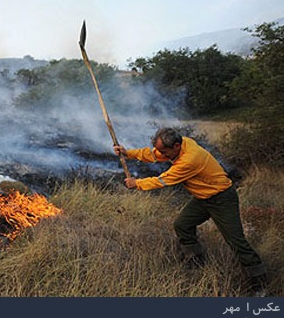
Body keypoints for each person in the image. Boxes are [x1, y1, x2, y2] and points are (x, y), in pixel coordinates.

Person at [113, 127, 268, 296]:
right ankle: (196, 261)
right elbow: (154, 154)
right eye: (160, 150)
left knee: (236, 241)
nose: (160, 154)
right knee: (182, 225)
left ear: (176, 146)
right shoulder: (181, 144)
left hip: (222, 199)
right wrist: (128, 153)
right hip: (203, 198)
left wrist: (137, 184)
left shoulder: (190, 159)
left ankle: (260, 285)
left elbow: (164, 180)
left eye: (164, 151)